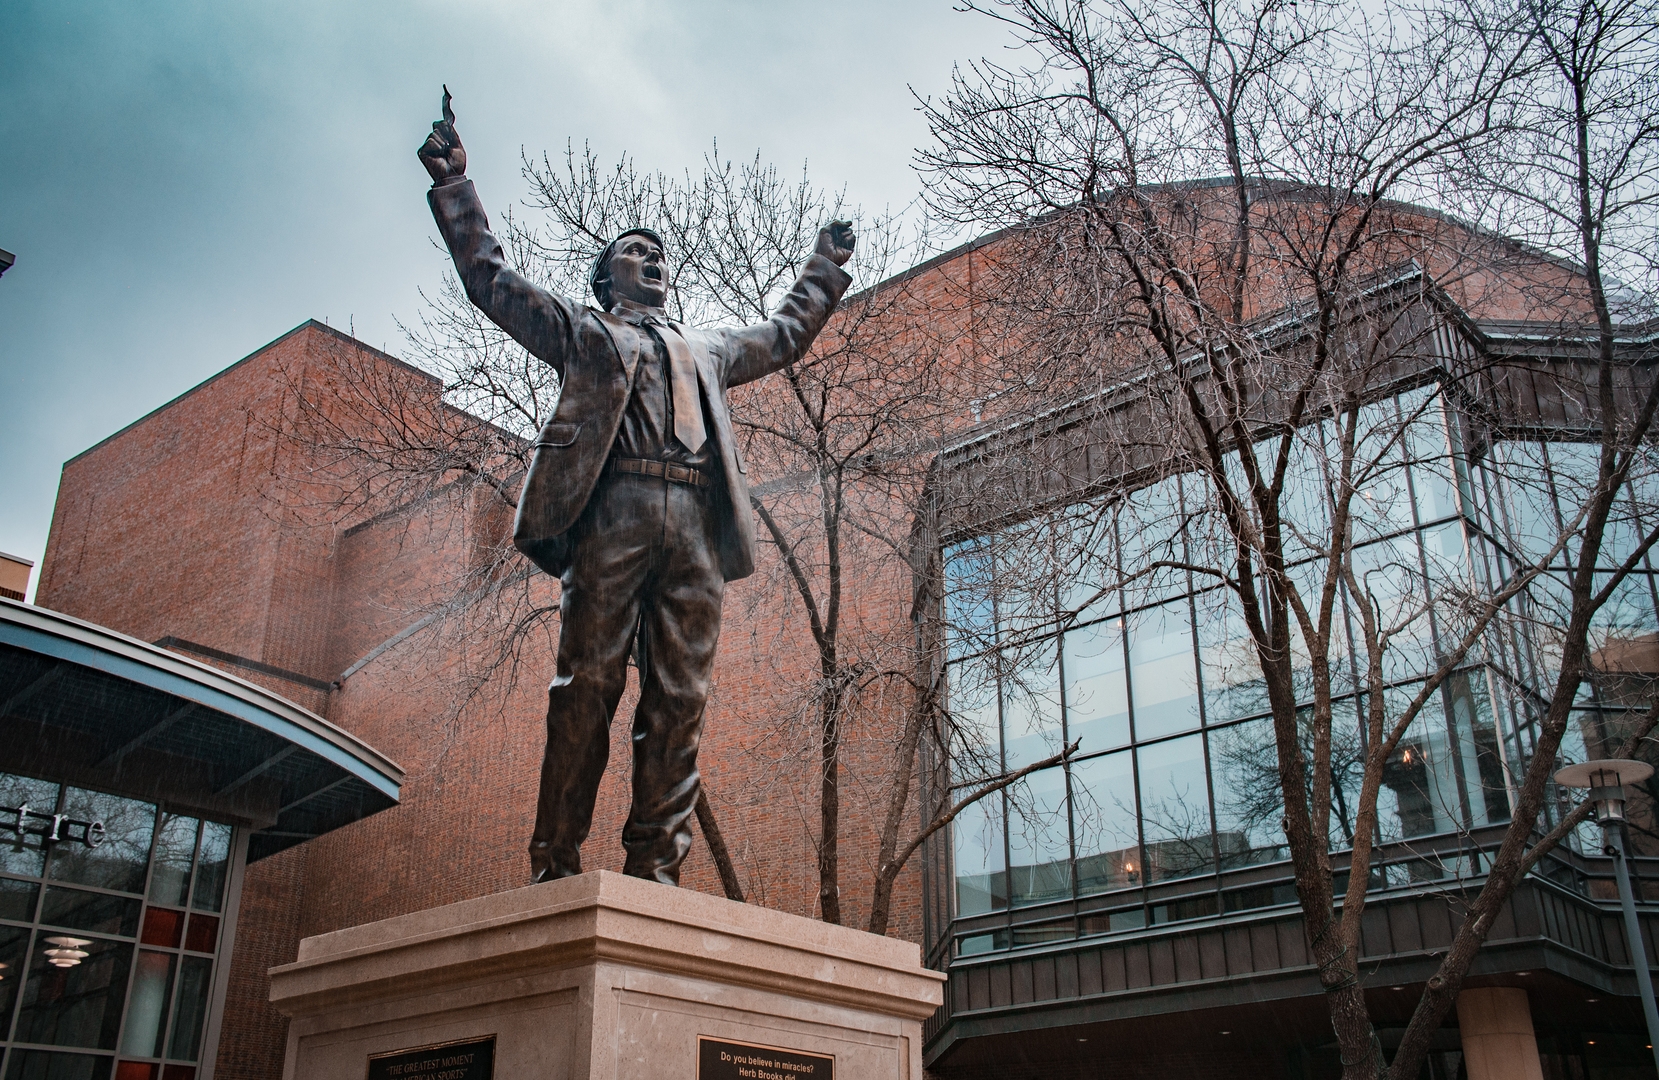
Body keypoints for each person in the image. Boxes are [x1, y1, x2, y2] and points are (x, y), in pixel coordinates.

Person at [418, 91, 855, 885]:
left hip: (694, 525)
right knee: (586, 685)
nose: (653, 257)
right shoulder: (583, 332)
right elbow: (489, 279)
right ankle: (555, 859)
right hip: (610, 516)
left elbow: (787, 333)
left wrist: (823, 268)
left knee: (680, 698)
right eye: (634, 249)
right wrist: (456, 190)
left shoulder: (709, 349)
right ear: (604, 274)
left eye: (659, 253)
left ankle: (655, 866)